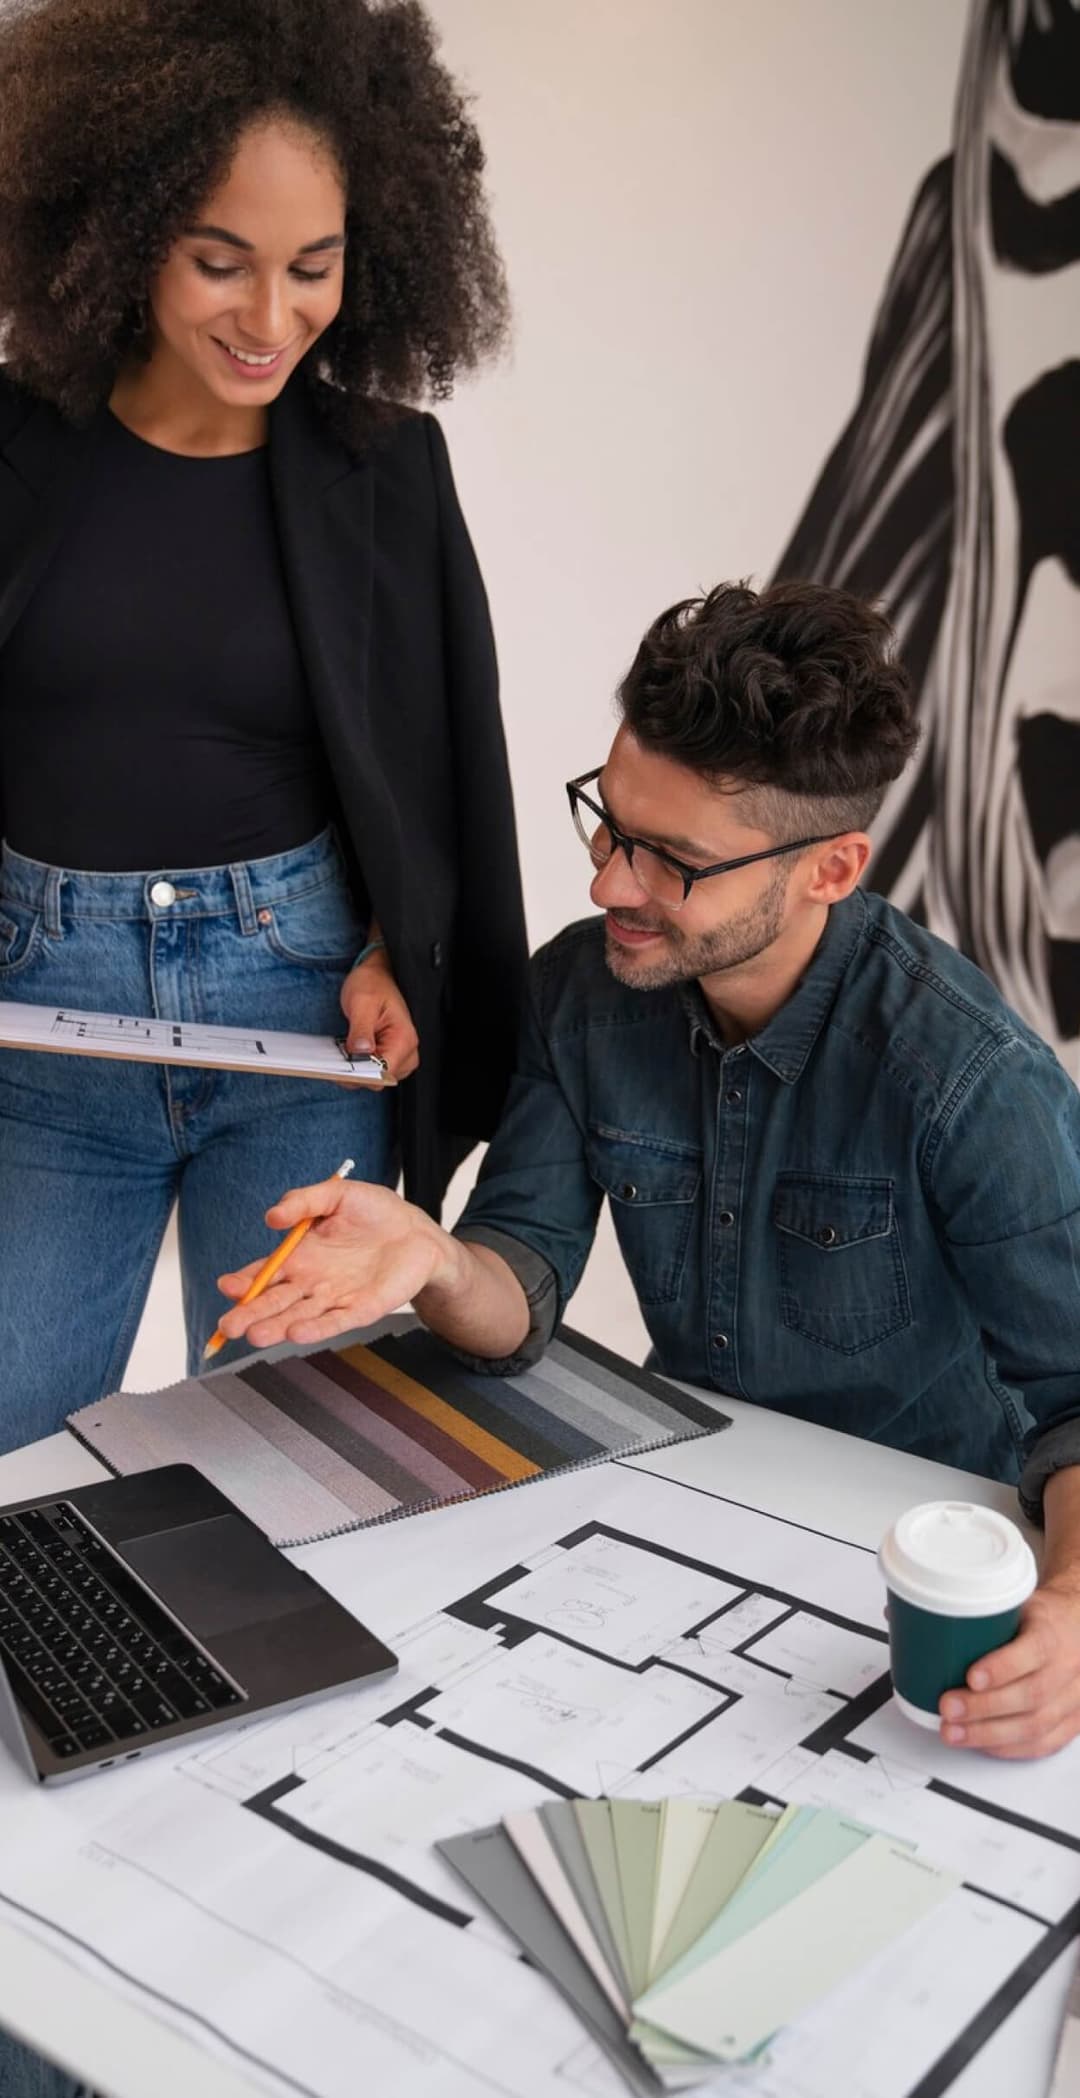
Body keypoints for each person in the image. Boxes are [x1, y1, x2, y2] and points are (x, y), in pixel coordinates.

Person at [217, 579, 1080, 1762]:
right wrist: (433, 1257)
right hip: (688, 1502)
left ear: (829, 869)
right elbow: (518, 1281)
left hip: (910, 1562)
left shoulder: (969, 1079)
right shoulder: (581, 989)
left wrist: (1074, 1612)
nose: (607, 883)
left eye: (671, 860)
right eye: (608, 823)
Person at [0, 0, 527, 1461]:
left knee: (305, 1467)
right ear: (115, 233)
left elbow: (441, 775)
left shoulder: (390, 470)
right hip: (44, 1036)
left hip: (297, 1022)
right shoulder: (14, 444)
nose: (271, 317)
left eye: (315, 267)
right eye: (219, 261)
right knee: (18, 1464)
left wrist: (392, 948)